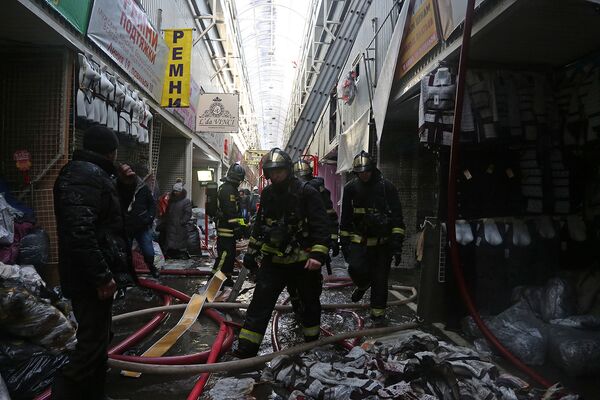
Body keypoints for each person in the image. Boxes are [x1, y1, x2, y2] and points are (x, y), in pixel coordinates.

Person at [52, 125, 136, 399]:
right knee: (90, 344)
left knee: (100, 339)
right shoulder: (83, 176)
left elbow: (109, 218)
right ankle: (65, 393)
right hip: (88, 277)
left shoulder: (93, 174)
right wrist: (100, 276)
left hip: (92, 272)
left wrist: (125, 188)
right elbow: (80, 231)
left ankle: (94, 394)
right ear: (110, 151)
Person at [236, 148, 330, 358]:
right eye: (271, 172)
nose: (275, 176)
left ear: (288, 170)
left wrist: (317, 256)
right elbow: (260, 226)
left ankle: (310, 346)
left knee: (309, 303)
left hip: (302, 262)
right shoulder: (268, 194)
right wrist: (251, 254)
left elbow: (322, 227)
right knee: (260, 303)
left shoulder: (307, 192)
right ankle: (246, 348)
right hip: (274, 262)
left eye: (279, 171)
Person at [339, 151, 405, 322]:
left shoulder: (387, 187)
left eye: (366, 171)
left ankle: (378, 316)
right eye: (360, 172)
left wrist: (397, 247)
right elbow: (345, 217)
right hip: (359, 242)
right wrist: (344, 244)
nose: (364, 175)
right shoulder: (350, 189)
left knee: (380, 280)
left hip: (383, 244)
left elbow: (397, 217)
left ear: (373, 169)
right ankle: (362, 284)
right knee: (355, 269)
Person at [213, 163, 246, 286]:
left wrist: (243, 226)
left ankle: (226, 279)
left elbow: (236, 212)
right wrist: (237, 227)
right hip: (225, 229)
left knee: (230, 256)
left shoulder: (229, 188)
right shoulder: (228, 190)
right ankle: (214, 281)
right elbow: (230, 211)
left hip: (229, 228)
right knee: (224, 256)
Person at [125, 163, 159, 278]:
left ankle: (151, 266)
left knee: (148, 251)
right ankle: (129, 272)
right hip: (127, 226)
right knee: (125, 252)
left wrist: (149, 218)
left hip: (142, 226)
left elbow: (152, 205)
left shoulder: (143, 189)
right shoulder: (121, 188)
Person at [160, 179, 192, 259]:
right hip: (171, 225)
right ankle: (173, 253)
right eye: (174, 191)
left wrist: (182, 222)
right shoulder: (172, 201)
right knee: (171, 242)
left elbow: (188, 213)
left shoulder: (185, 201)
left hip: (179, 226)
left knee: (179, 242)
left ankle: (177, 253)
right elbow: (167, 212)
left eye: (177, 191)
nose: (175, 193)